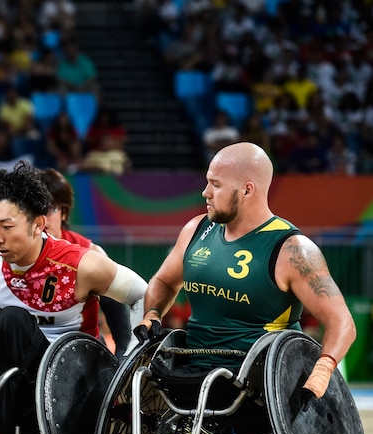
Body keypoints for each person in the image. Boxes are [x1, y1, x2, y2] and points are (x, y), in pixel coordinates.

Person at [136, 142, 355, 409]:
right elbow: (163, 281)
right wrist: (152, 313)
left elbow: (342, 322)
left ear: (247, 190)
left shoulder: (292, 250)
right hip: (191, 371)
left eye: (215, 185)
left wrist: (323, 369)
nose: (205, 192)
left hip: (257, 384)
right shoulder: (196, 229)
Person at [0, 160, 146, 434]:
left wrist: (127, 357)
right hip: (9, 354)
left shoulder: (84, 258)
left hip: (62, 366)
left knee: (13, 319)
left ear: (41, 222)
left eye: (6, 226)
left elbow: (142, 295)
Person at [40, 168, 133, 357]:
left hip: (80, 349)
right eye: (35, 209)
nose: (42, 218)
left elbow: (115, 308)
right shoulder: (11, 252)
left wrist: (124, 352)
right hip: (33, 347)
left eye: (49, 209)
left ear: (64, 212)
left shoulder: (90, 252)